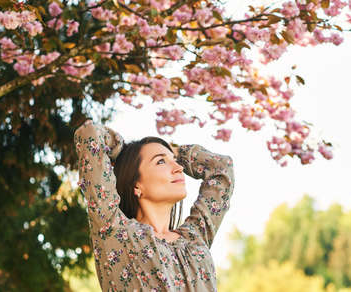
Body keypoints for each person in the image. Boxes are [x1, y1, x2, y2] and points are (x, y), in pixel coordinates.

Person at [73, 119, 235, 291]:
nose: (178, 168)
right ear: (136, 185)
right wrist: (125, 150)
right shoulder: (115, 231)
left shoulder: (195, 236)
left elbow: (222, 168)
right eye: (160, 162)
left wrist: (175, 151)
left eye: (175, 161)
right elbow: (89, 133)